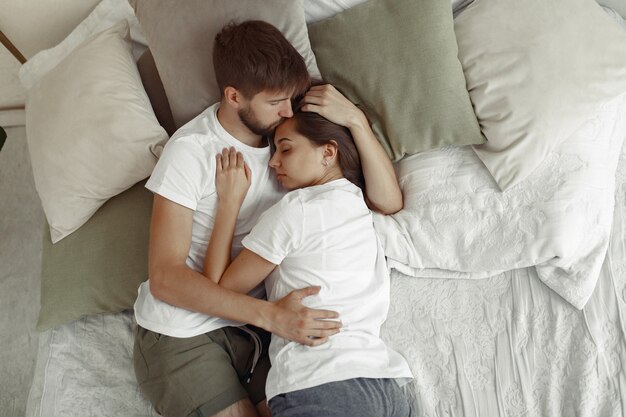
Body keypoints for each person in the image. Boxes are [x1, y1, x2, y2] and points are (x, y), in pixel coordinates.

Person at [133, 20, 404, 417]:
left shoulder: (296, 144)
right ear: (234, 96)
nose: (288, 111)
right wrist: (272, 316)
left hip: (257, 335)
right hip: (183, 329)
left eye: (291, 99)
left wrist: (356, 121)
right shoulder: (191, 152)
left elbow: (386, 202)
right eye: (276, 102)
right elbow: (166, 277)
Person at [204, 108, 414, 417]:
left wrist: (229, 203)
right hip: (388, 388)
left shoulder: (296, 210)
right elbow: (391, 200)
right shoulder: (359, 205)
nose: (273, 161)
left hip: (321, 380)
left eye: (285, 148)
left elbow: (217, 291)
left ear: (329, 152)